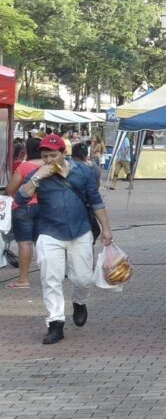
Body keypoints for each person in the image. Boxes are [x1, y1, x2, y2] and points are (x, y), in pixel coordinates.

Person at [15, 134, 112, 344]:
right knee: (51, 277)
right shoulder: (37, 174)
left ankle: (79, 301)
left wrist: (106, 229)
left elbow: (95, 201)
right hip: (49, 231)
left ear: (63, 153)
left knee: (83, 278)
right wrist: (37, 177)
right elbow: (20, 198)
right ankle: (55, 323)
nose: (49, 160)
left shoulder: (83, 172)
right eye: (45, 156)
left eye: (53, 156)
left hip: (80, 230)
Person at [5, 138, 39, 290]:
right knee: (45, 243)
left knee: (25, 243)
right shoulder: (49, 167)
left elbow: (11, 189)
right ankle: (51, 275)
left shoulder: (25, 166)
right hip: (46, 207)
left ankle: (23, 279)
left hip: (24, 207)